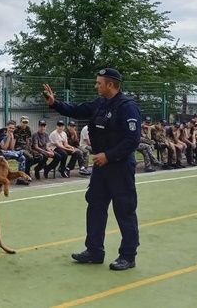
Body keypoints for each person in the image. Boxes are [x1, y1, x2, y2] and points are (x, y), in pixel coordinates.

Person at [44, 68, 141, 271]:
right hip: (100, 166)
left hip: (119, 165)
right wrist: (55, 104)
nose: (96, 86)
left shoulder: (127, 107)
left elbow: (132, 140)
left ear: (111, 84)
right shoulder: (100, 104)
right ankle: (94, 251)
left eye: (99, 83)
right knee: (95, 206)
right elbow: (78, 110)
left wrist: (109, 155)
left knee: (124, 210)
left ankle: (128, 255)